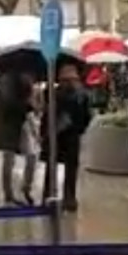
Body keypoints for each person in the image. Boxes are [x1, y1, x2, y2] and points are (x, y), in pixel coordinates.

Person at [39, 62, 91, 212]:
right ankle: (64, 198)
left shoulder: (56, 94)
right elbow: (86, 118)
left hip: (63, 136)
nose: (68, 83)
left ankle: (54, 197)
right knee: (63, 168)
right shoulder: (78, 95)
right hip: (63, 136)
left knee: (62, 168)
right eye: (66, 80)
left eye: (71, 80)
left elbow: (85, 118)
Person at [0, 68, 38, 205]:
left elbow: (29, 103)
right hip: (8, 124)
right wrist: (28, 107)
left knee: (30, 156)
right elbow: (10, 102)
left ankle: (25, 188)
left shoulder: (25, 77)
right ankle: (9, 193)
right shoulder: (7, 80)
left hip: (20, 122)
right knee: (9, 158)